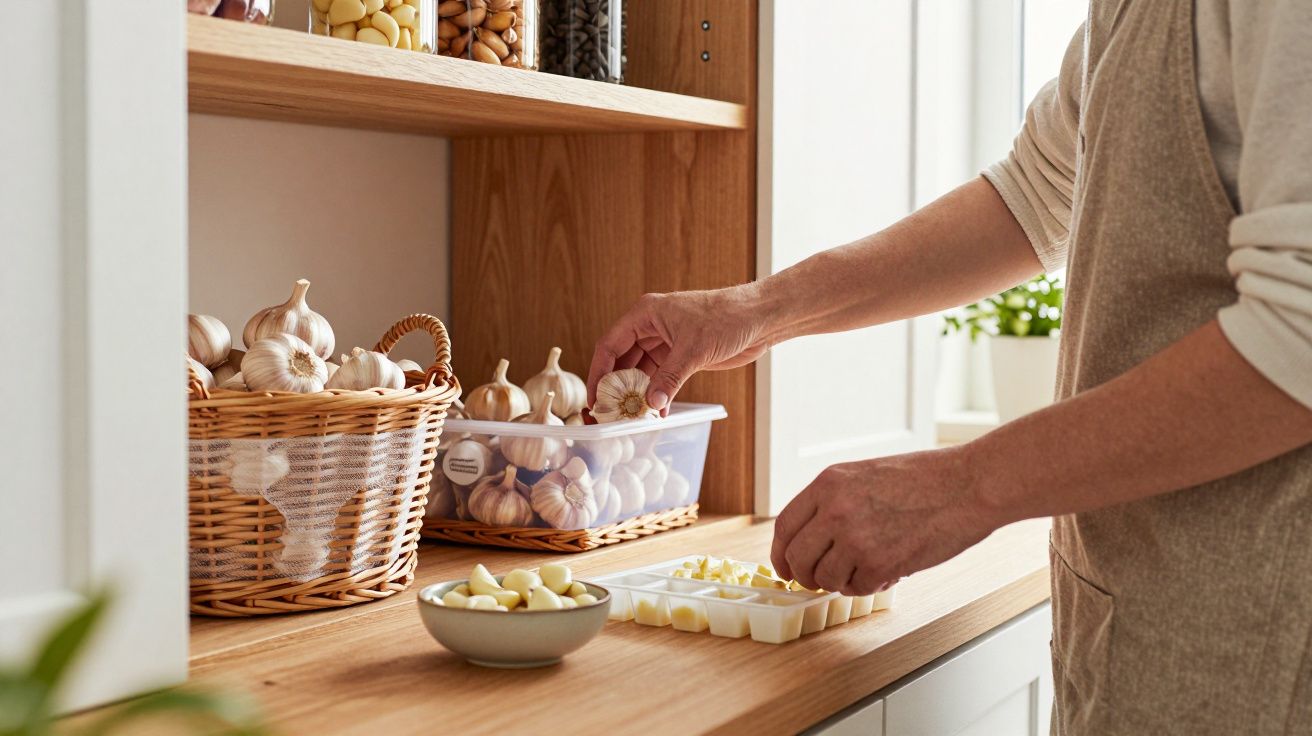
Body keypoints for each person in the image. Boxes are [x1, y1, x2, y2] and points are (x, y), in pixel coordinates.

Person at [586, 1, 1312, 732]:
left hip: (1260, 638)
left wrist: (963, 486)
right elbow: (1033, 196)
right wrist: (756, 308)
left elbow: (1301, 331)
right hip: (1140, 617)